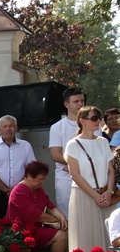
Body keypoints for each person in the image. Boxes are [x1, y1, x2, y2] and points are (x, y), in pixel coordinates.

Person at [64, 106, 115, 252]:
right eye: (94, 118)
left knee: (108, 238)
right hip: (83, 195)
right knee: (86, 236)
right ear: (82, 121)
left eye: (99, 118)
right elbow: (75, 175)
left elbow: (110, 170)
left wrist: (109, 191)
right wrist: (95, 195)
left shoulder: (103, 142)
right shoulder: (72, 145)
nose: (98, 121)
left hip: (105, 195)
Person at [6, 161, 68, 252]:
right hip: (23, 231)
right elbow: (37, 215)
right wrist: (57, 221)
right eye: (39, 179)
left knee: (67, 228)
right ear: (29, 176)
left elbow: (49, 206)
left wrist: (62, 217)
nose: (42, 182)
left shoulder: (38, 190)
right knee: (61, 236)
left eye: (43, 179)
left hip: (36, 227)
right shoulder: (19, 191)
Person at [0, 115, 37, 218]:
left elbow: (31, 170)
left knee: (21, 227)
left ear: (16, 128)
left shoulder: (25, 146)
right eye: (5, 126)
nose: (8, 129)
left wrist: (16, 189)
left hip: (20, 194)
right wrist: (7, 190)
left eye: (11, 126)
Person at [49, 87, 86, 218]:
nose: (80, 104)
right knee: (68, 215)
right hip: (65, 178)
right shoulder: (57, 127)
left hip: (88, 177)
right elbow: (55, 154)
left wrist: (77, 166)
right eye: (76, 101)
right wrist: (74, 165)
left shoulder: (92, 124)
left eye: (82, 100)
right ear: (66, 104)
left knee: (86, 215)